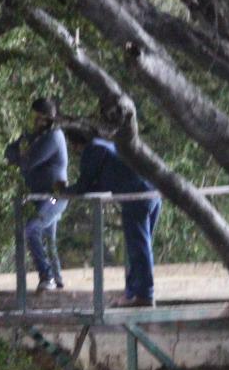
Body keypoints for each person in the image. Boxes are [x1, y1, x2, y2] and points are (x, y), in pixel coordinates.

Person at [60, 127, 160, 307]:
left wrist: (63, 191)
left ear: (75, 143)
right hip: (151, 191)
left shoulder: (92, 150)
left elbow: (84, 185)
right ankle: (133, 293)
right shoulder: (107, 145)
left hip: (136, 196)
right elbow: (98, 184)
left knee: (138, 248)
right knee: (139, 246)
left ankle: (145, 294)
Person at [5, 97, 68, 292]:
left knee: (31, 229)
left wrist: (21, 156)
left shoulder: (54, 137)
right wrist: (21, 151)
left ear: (47, 118)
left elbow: (28, 162)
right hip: (39, 198)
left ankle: (47, 277)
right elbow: (8, 152)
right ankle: (56, 278)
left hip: (54, 196)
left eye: (37, 117)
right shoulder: (33, 137)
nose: (33, 122)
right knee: (48, 237)